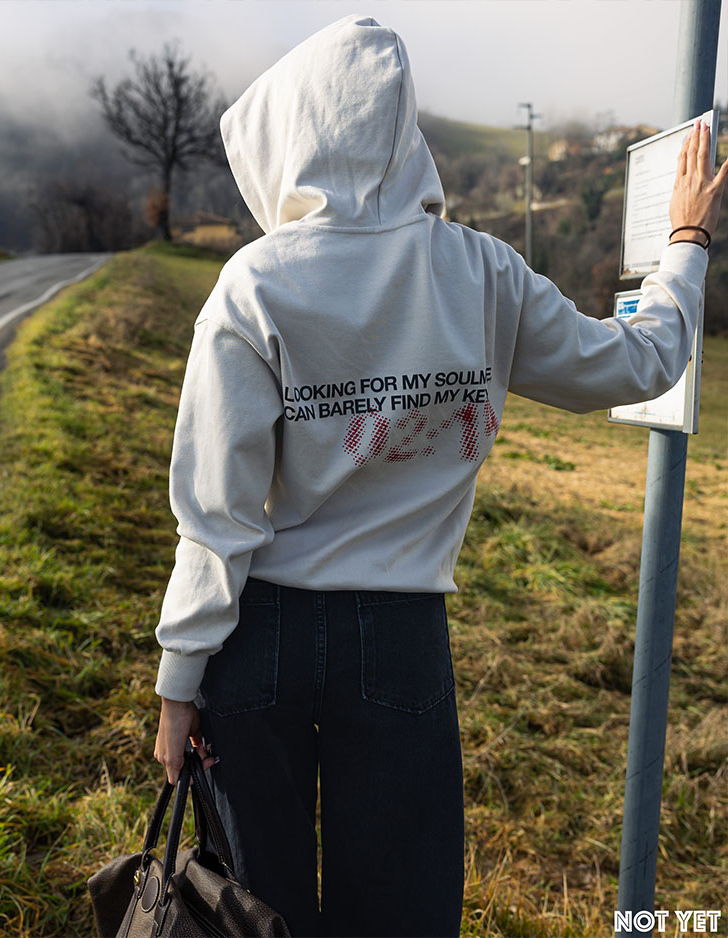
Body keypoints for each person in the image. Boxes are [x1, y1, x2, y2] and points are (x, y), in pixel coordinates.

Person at [153, 14, 727, 938]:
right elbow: (640, 361)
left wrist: (179, 683)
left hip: (257, 636)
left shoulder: (255, 285)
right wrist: (687, 239)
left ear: (291, 132)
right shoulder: (481, 271)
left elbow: (215, 516)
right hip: (400, 639)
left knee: (254, 915)